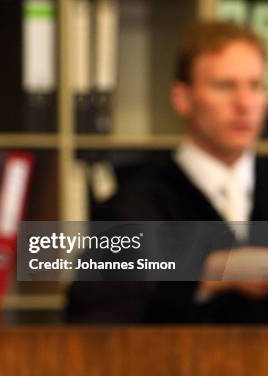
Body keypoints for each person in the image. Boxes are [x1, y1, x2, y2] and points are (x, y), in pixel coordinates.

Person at [67, 21, 268, 323]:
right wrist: (205, 272)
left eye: (255, 85)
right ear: (183, 99)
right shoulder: (134, 204)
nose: (244, 103)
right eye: (224, 86)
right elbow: (93, 317)